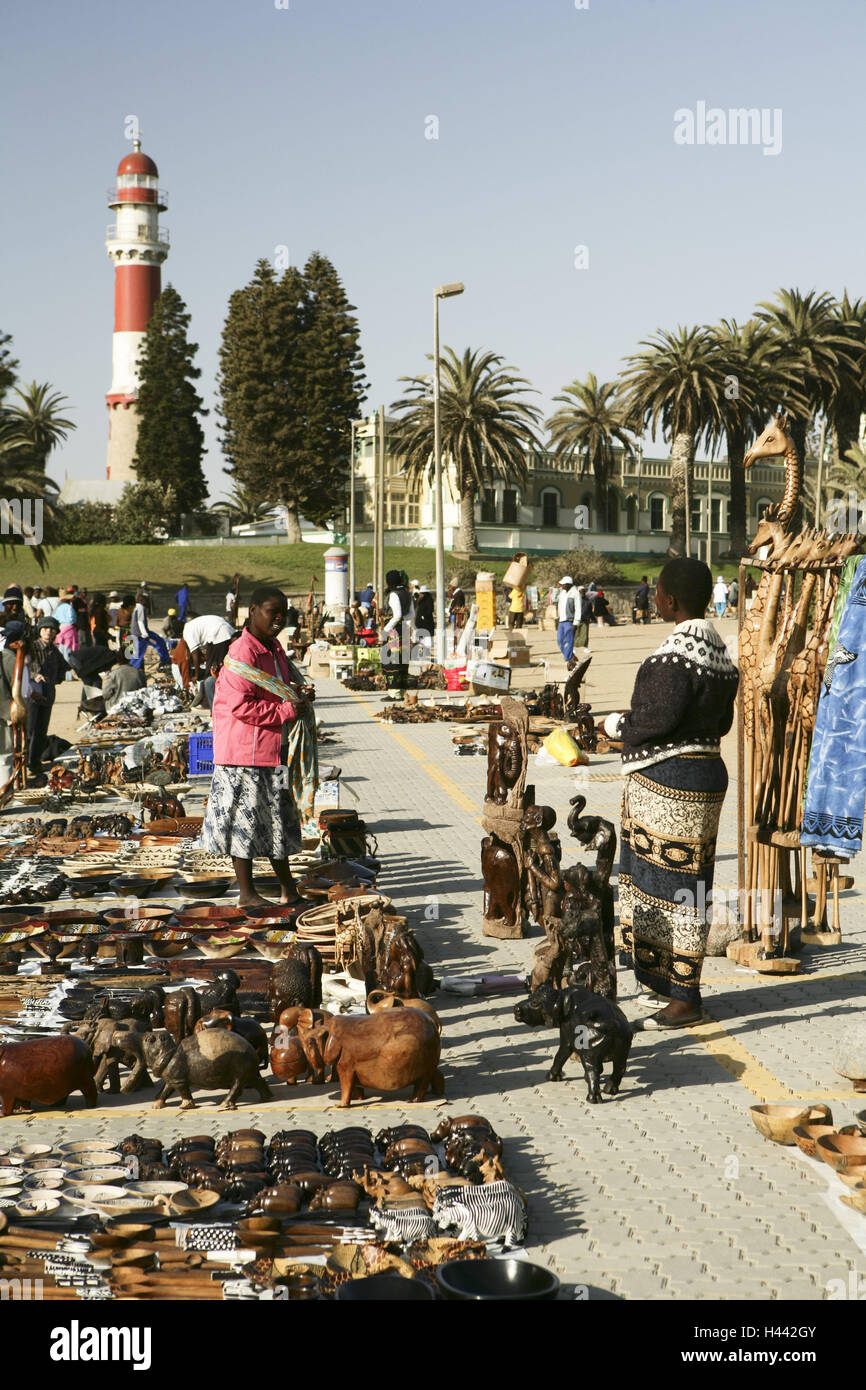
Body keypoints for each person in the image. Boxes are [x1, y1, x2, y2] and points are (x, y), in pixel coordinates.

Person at [616, 558, 739, 1029]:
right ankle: (670, 985)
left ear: (669, 599)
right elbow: (720, 723)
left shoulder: (675, 655)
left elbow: (657, 718)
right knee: (684, 887)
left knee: (672, 891)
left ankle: (685, 997)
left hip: (672, 785)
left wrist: (616, 726)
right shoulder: (718, 655)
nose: (655, 597)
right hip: (704, 775)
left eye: (659, 591)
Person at [200, 586, 317, 912]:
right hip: (244, 755)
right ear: (252, 611)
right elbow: (241, 707)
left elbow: (276, 688)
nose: (279, 619)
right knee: (244, 823)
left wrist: (298, 693)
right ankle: (247, 893)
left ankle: (288, 890)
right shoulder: (243, 653)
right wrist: (288, 711)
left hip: (271, 751)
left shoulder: (274, 648)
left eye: (283, 613)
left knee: (277, 819)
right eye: (271, 612)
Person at [26, 616, 65, 783]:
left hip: (48, 696)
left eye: (52, 629)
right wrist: (35, 676)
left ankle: (35, 763)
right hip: (33, 696)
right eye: (45, 629)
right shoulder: (32, 647)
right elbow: (25, 667)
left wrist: (57, 678)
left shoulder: (54, 650)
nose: (48, 632)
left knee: (41, 732)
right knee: (29, 732)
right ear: (40, 631)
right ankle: (24, 765)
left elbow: (63, 668)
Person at [380, 569, 414, 690]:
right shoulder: (407, 593)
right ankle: (402, 691)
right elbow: (411, 614)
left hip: (393, 631)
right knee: (402, 660)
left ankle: (394, 692)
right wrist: (401, 621)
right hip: (404, 629)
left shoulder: (394, 594)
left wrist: (386, 629)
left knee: (391, 661)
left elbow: (397, 615)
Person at [183, 613, 236, 681]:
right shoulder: (191, 625)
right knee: (223, 665)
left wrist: (197, 675)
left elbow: (195, 653)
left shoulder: (187, 633)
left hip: (219, 635)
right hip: (227, 629)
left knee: (211, 671)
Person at [130, 589, 171, 669]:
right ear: (142, 600)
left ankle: (132, 667)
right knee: (141, 651)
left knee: (158, 642)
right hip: (141, 634)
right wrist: (145, 635)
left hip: (136, 633)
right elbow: (140, 622)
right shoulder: (141, 607)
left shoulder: (134, 607)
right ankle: (165, 661)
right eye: (146, 600)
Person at [556, 576, 580, 661]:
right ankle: (571, 656)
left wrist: (576, 623)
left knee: (568, 641)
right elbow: (554, 599)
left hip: (570, 621)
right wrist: (557, 589)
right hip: (561, 621)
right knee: (559, 641)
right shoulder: (562, 593)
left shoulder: (575, 593)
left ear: (568, 584)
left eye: (563, 584)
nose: (562, 586)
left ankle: (568, 658)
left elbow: (578, 608)